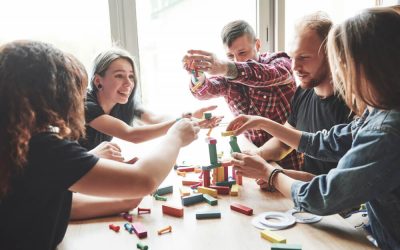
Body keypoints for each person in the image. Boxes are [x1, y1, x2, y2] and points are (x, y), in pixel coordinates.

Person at [0, 40, 200, 249]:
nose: (78, 99)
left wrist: (124, 199)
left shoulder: (17, 139)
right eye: (72, 89)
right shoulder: (44, 148)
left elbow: (61, 204)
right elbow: (145, 179)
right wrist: (176, 135)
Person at [228, 7, 400, 249]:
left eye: (344, 63)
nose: (342, 73)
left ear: (370, 65)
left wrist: (270, 174)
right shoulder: (381, 110)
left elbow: (326, 196)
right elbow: (327, 142)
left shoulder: (387, 130)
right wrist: (262, 126)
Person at [182, 20, 301, 170]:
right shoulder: (228, 77)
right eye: (230, 56)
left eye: (242, 53)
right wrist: (197, 75)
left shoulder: (279, 62)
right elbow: (206, 91)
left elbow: (265, 75)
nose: (237, 60)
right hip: (254, 158)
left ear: (257, 45)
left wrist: (226, 67)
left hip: (290, 159)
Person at [255, 12, 354, 179]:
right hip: (307, 194)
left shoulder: (354, 103)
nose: (294, 67)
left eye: (304, 57)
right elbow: (284, 142)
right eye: (292, 57)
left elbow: (345, 185)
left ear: (331, 54)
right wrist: (256, 154)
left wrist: (280, 177)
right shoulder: (303, 91)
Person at [80, 48, 221, 153]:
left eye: (131, 76)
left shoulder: (122, 104)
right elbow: (133, 136)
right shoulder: (86, 105)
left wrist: (190, 117)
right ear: (98, 81)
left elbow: (155, 118)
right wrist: (182, 122)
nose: (128, 83)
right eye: (119, 76)